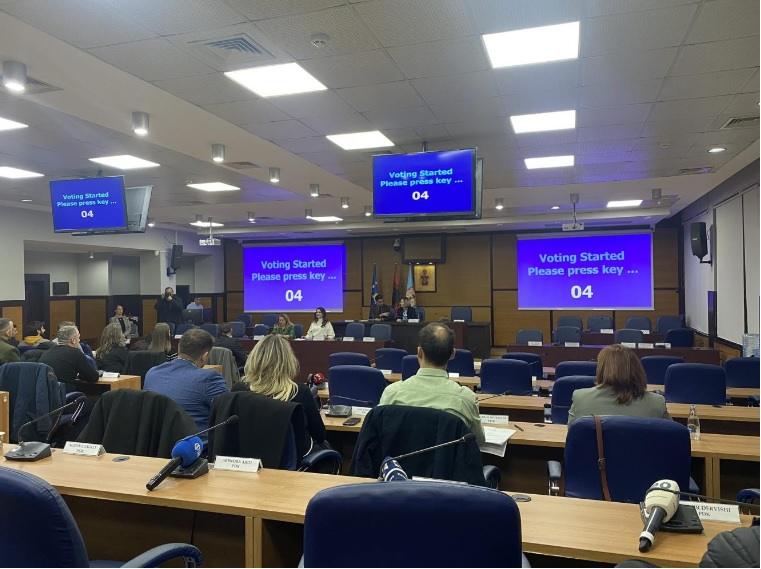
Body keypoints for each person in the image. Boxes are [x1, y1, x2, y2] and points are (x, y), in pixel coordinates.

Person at [379, 322, 484, 444]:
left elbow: (379, 435)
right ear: (453, 354)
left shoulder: (392, 393)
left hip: (400, 457)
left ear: (419, 352)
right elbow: (478, 442)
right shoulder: (466, 399)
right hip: (446, 457)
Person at [235, 334, 325, 453]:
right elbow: (319, 435)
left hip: (246, 458)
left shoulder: (238, 390)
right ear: (289, 361)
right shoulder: (299, 392)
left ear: (253, 359)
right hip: (291, 460)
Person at [144, 328, 229, 439]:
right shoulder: (210, 378)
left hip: (158, 445)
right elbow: (228, 413)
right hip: (196, 446)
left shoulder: (152, 373)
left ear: (179, 348)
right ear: (204, 356)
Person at [568, 344, 671, 425]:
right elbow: (672, 437)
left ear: (601, 370)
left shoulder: (580, 398)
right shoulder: (657, 403)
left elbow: (573, 436)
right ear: (637, 369)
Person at [39, 325, 99, 390]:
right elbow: (93, 377)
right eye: (78, 337)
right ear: (73, 340)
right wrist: (81, 375)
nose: (79, 340)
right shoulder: (75, 353)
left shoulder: (47, 352)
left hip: (46, 393)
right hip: (65, 393)